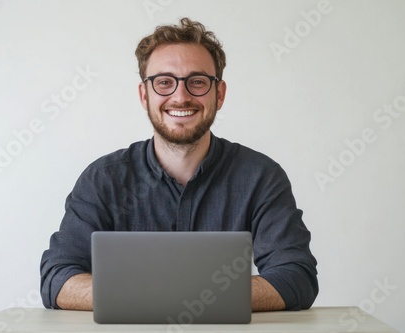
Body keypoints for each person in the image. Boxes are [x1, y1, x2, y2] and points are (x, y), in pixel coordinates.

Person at [40, 17, 318, 312]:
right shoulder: (103, 179)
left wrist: (167, 297)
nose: (181, 96)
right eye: (164, 82)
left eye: (197, 82)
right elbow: (58, 279)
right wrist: (182, 298)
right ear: (144, 94)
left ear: (219, 94)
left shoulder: (261, 177)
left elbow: (296, 277)